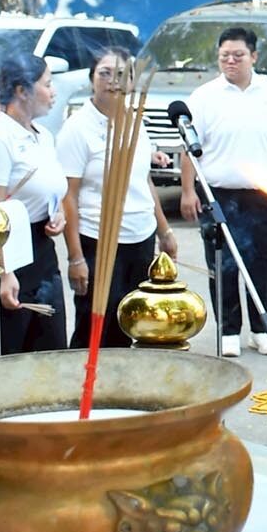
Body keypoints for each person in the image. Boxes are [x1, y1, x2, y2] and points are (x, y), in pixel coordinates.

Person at [180, 27, 267, 358]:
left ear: (254, 57)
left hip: (265, 195)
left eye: (238, 55)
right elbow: (190, 149)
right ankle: (229, 330)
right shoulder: (204, 97)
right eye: (224, 56)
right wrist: (188, 191)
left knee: (261, 261)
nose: (230, 61)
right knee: (224, 264)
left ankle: (261, 329)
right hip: (219, 193)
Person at [60, 47, 177, 350]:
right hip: (98, 238)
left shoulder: (135, 122)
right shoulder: (77, 128)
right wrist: (75, 257)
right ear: (91, 79)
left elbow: (144, 180)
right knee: (96, 322)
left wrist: (164, 230)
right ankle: (85, 392)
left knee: (131, 320)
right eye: (105, 73)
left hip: (141, 236)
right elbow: (68, 195)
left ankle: (119, 392)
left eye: (122, 74)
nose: (114, 81)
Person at [0, 52, 68, 355]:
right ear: (21, 91)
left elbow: (53, 189)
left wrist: (59, 214)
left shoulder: (44, 136)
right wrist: (4, 272)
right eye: (47, 84)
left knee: (50, 347)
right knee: (15, 350)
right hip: (10, 253)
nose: (53, 92)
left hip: (42, 248)